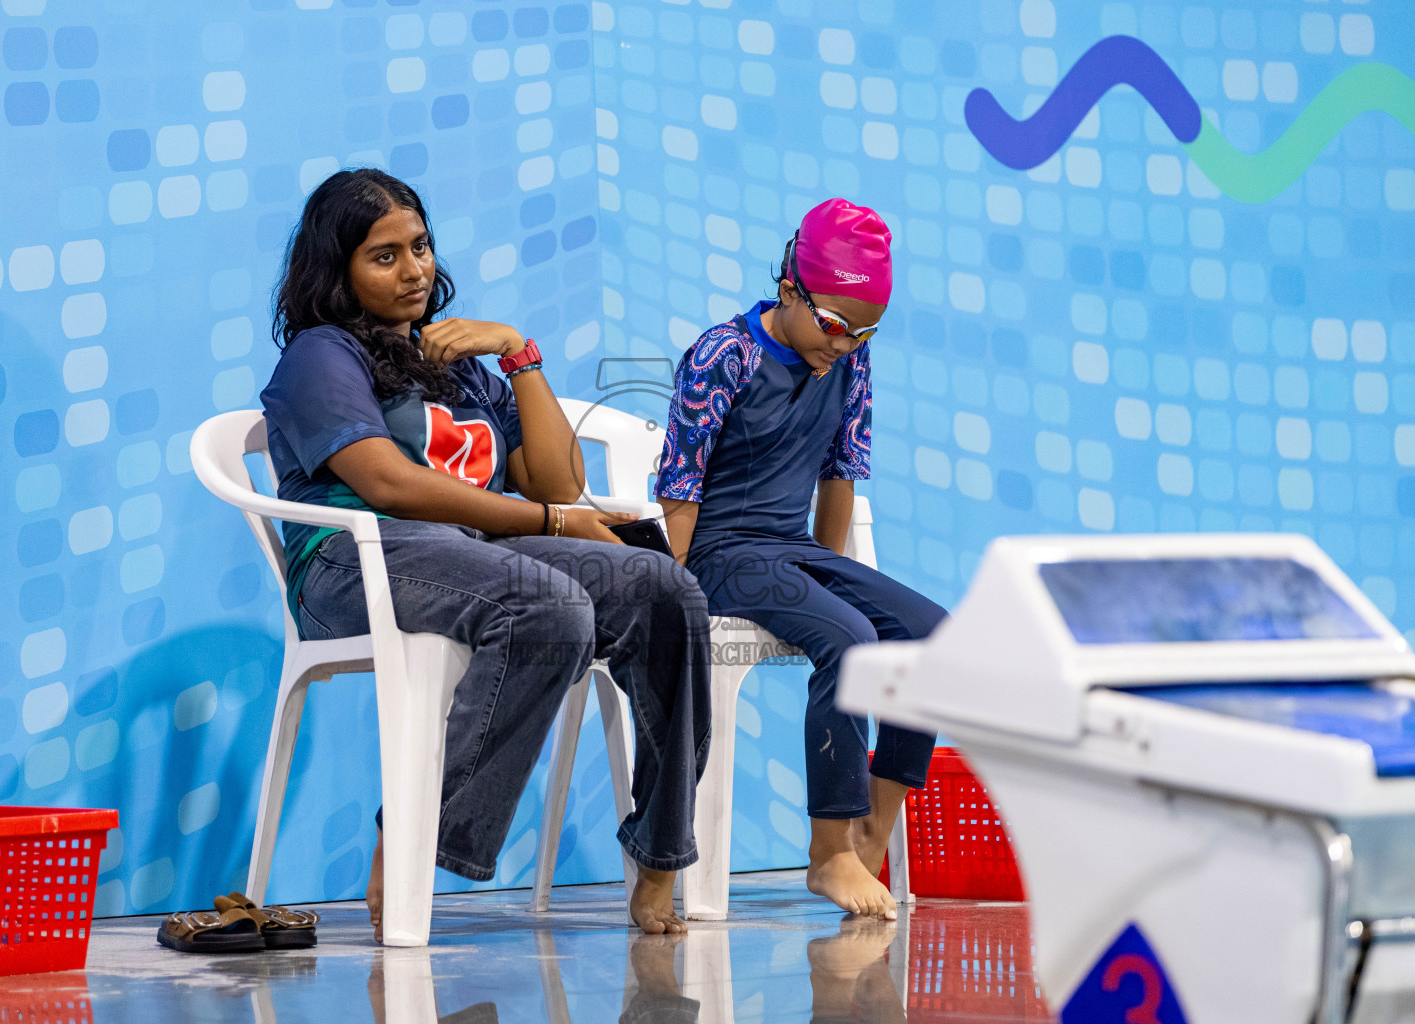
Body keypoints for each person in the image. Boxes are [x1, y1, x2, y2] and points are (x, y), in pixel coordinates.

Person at [260, 168, 711, 937]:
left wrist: (517, 354)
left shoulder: (457, 360)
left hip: (479, 555)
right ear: (337, 270)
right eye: (384, 256)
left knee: (661, 590)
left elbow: (559, 483)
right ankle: (412, 836)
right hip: (355, 560)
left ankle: (659, 857)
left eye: (420, 246)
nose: (414, 270)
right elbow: (390, 484)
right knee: (547, 603)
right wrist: (556, 523)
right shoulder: (321, 355)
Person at [655, 198, 947, 921]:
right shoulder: (724, 355)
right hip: (719, 552)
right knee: (852, 642)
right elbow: (680, 486)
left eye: (864, 332)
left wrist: (826, 576)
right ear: (790, 290)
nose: (846, 345)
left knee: (931, 636)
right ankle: (829, 851)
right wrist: (674, 588)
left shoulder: (851, 358)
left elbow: (840, 472)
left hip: (792, 551)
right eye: (836, 325)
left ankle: (870, 832)